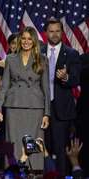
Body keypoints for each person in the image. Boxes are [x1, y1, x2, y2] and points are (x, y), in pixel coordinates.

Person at [0, 26, 50, 170]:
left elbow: (46, 89)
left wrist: (46, 113)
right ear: (20, 40)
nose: (26, 42)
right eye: (24, 39)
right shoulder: (10, 58)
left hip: (35, 108)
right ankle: (13, 174)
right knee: (14, 145)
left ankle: (35, 173)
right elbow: (4, 86)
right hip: (14, 107)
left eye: (29, 39)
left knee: (34, 146)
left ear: (34, 41)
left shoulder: (42, 59)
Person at [42, 18, 80, 175]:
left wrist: (65, 77)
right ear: (46, 33)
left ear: (62, 32)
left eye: (58, 31)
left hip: (61, 112)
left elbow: (75, 79)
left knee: (60, 151)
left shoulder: (71, 53)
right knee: (41, 149)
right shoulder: (38, 52)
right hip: (40, 109)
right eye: (51, 31)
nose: (55, 34)